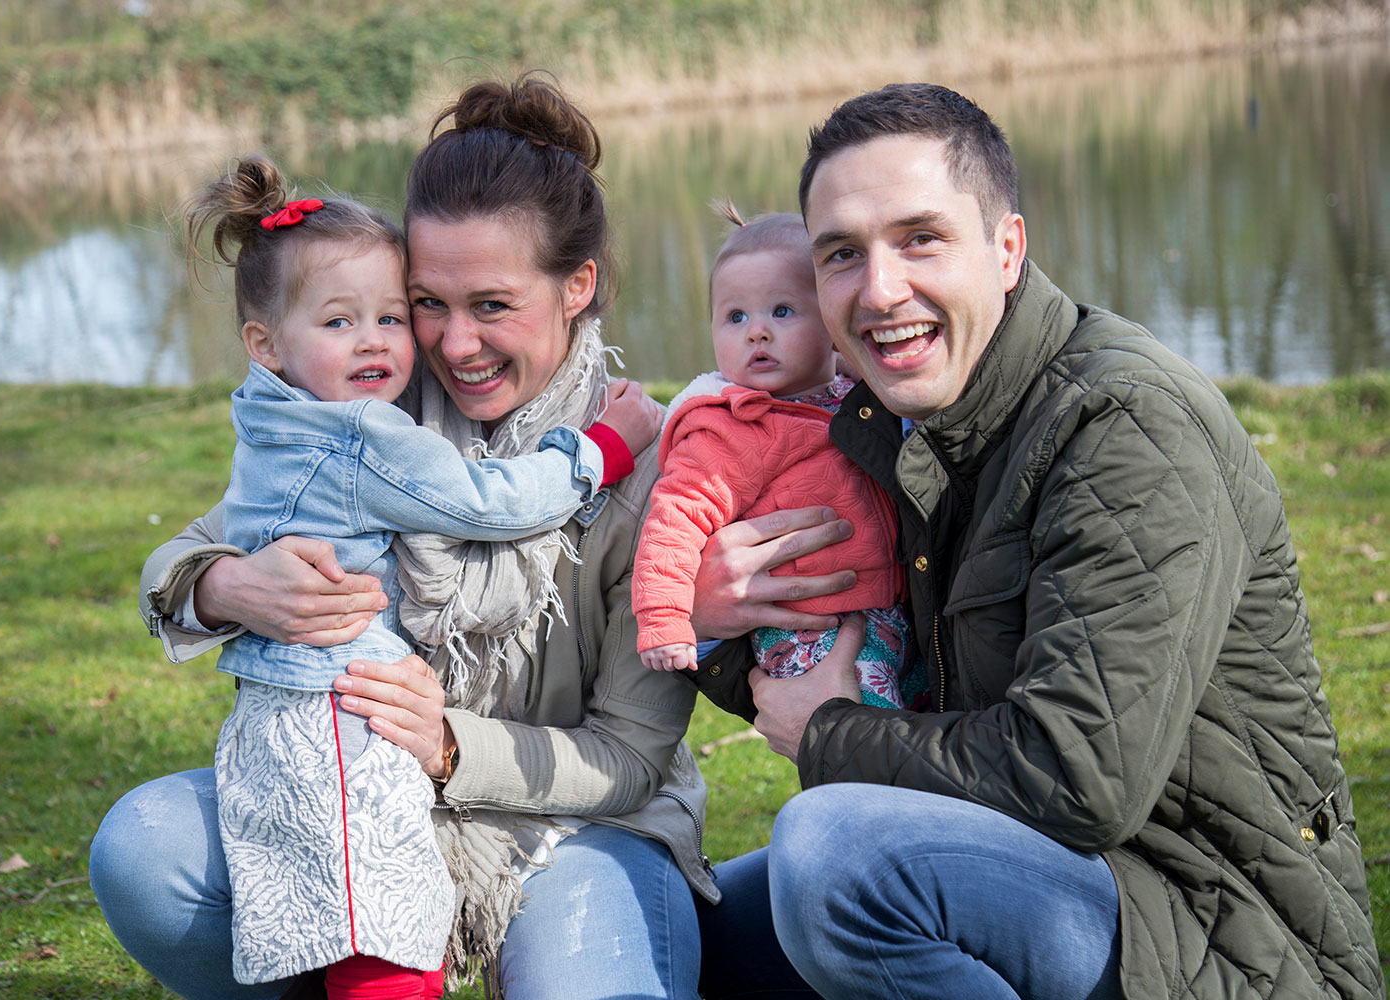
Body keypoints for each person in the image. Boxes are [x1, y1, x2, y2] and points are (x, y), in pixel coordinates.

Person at [687, 83, 1381, 999]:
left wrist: (828, 733)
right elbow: (843, 661)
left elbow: (1075, 775)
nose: (880, 289)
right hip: (1032, 865)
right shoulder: (888, 424)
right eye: (842, 255)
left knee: (834, 859)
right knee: (678, 918)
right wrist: (714, 625)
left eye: (920, 238)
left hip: (1204, 923)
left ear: (1007, 249)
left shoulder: (1125, 427)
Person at [89, 75, 715, 1000]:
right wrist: (228, 587)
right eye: (427, 302)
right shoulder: (374, 403)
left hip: (581, 830)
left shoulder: (652, 464)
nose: (454, 344)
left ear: (577, 284)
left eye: (493, 305)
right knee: (145, 848)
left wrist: (449, 747)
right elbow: (180, 556)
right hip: (380, 804)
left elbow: (628, 759)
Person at [632, 205, 919, 712]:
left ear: (833, 318)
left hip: (891, 610)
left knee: (928, 722)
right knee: (872, 734)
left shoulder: (865, 397)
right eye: (735, 316)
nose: (756, 332)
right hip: (811, 632)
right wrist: (664, 617)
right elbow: (675, 519)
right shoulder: (732, 428)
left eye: (781, 311)